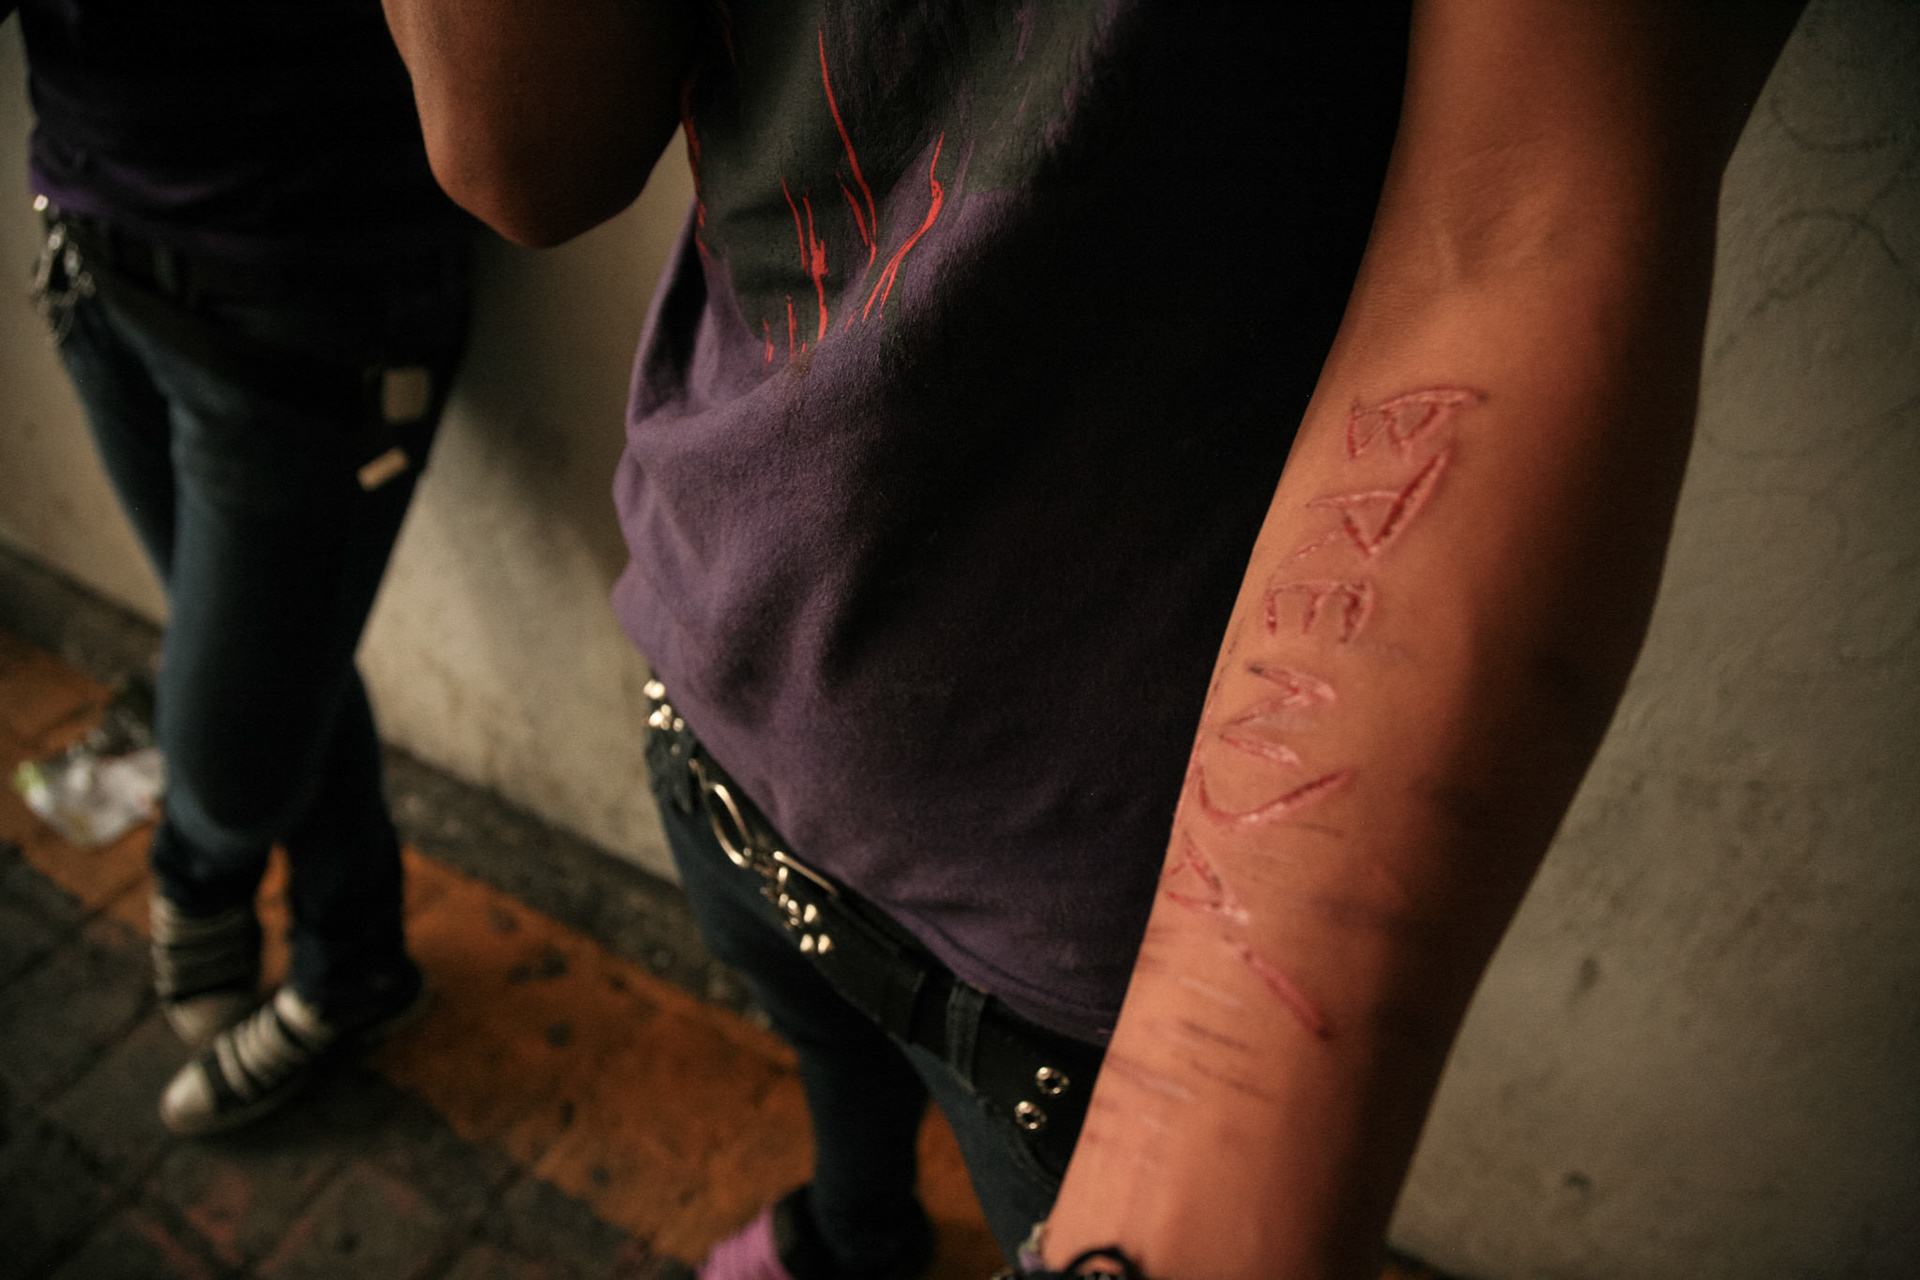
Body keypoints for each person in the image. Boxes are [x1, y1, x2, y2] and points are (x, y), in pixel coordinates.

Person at [383, 2, 1801, 1277]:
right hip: (717, 685)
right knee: (824, 1060)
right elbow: (523, 160)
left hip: (1088, 947)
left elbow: (1522, 220)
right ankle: (853, 1231)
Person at [6, 0, 471, 1134]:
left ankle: (202, 872)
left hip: (299, 292)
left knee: (232, 755)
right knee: (284, 657)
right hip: (95, 246)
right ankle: (355, 965)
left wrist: (199, 854)